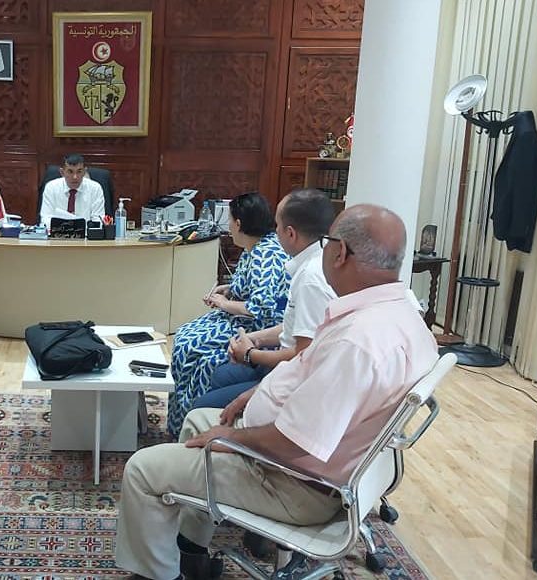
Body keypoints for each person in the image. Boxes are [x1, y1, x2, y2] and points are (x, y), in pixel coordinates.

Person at [114, 204, 439, 580]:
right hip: (309, 461)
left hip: (290, 480)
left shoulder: (358, 342)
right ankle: (191, 551)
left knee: (142, 470)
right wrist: (254, 395)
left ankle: (155, 574)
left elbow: (296, 441)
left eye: (327, 242)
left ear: (340, 252)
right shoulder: (402, 315)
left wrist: (234, 437)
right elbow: (307, 370)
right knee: (199, 419)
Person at [190, 189, 337, 411]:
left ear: (290, 233)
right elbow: (293, 329)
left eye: (277, 225)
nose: (274, 231)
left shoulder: (310, 280)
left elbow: (303, 356)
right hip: (281, 356)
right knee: (220, 375)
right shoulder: (312, 263)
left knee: (202, 401)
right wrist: (254, 339)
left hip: (291, 377)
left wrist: (251, 354)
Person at [167, 192, 290, 437]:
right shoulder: (253, 247)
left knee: (191, 346)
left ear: (239, 223)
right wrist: (228, 289)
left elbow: (258, 308)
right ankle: (180, 420)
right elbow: (249, 286)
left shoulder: (265, 254)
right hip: (238, 319)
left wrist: (224, 303)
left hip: (255, 327)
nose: (228, 227)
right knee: (183, 337)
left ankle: (191, 419)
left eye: (230, 221)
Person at [39, 153, 107, 227]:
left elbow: (98, 220)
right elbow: (45, 219)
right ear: (62, 172)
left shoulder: (95, 189)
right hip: (57, 233)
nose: (75, 177)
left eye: (79, 171)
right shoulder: (51, 188)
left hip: (86, 233)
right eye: (70, 172)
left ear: (84, 172)